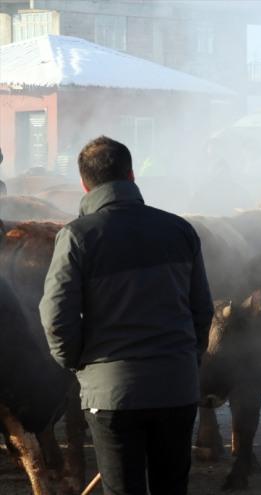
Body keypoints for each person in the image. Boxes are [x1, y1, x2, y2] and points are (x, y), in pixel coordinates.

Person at [39, 136, 214, 495]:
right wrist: (183, 358)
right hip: (176, 387)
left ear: (85, 184)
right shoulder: (179, 230)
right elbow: (202, 310)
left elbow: (57, 318)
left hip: (112, 393)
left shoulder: (76, 237)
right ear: (132, 175)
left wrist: (80, 364)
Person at [187, 138, 253, 215]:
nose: (212, 150)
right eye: (210, 148)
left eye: (214, 148)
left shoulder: (225, 165)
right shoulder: (201, 166)